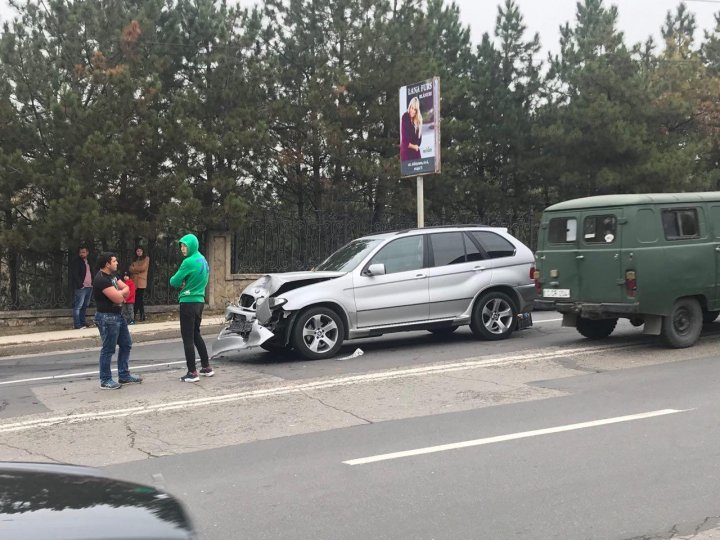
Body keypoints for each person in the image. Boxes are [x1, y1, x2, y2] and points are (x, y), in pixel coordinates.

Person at [93, 252, 143, 389]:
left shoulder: (113, 276)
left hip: (118, 316)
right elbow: (119, 298)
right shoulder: (101, 279)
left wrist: (121, 292)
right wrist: (121, 294)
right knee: (108, 349)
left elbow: (126, 288)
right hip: (107, 317)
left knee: (126, 344)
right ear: (107, 263)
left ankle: (124, 375)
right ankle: (105, 379)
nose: (117, 263)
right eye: (114, 261)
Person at [169, 233, 214, 382]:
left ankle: (192, 372)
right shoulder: (203, 260)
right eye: (181, 245)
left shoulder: (188, 262)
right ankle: (206, 366)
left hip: (188, 301)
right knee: (196, 334)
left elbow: (174, 281)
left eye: (185, 245)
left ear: (192, 245)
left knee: (187, 337)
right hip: (199, 301)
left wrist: (182, 283)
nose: (182, 248)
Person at [71, 245, 94, 329]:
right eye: (80, 252)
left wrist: (93, 283)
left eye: (83, 252)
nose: (82, 254)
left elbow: (92, 272)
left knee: (84, 306)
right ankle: (77, 325)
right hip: (81, 287)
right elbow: (75, 274)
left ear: (87, 253)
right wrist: (80, 285)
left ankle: (83, 323)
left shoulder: (89, 261)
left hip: (89, 286)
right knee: (78, 306)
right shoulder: (76, 261)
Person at [129, 246, 149, 322]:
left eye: (140, 251)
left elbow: (143, 268)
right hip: (134, 281)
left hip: (141, 281)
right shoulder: (134, 259)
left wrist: (135, 268)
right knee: (137, 298)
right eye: (137, 251)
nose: (139, 252)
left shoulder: (146, 258)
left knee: (139, 298)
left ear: (143, 251)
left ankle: (137, 314)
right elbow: (130, 269)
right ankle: (141, 315)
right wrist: (136, 270)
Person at [400, 96, 422, 162]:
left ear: (417, 111)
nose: (412, 111)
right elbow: (404, 141)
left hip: (416, 154)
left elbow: (419, 142)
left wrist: (420, 125)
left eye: (414, 109)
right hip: (407, 154)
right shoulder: (405, 116)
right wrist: (414, 146)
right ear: (409, 107)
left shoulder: (417, 121)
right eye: (411, 108)